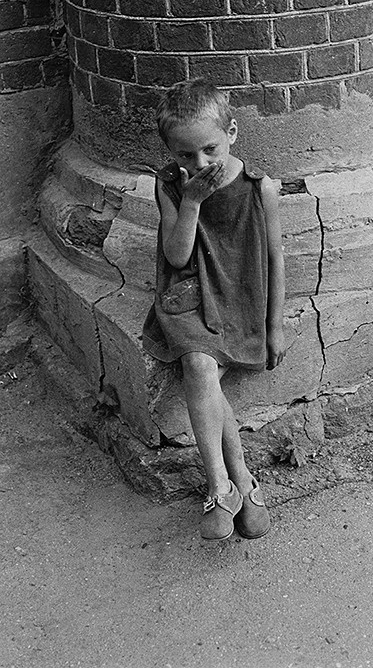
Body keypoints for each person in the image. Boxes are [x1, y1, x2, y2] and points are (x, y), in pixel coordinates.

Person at [143, 78, 286, 542]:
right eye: (185, 155)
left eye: (210, 149)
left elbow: (275, 258)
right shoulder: (170, 186)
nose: (200, 164)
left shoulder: (259, 188)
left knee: (203, 374)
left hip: (239, 293)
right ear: (170, 152)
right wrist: (191, 201)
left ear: (232, 133)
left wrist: (275, 326)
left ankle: (238, 480)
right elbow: (177, 255)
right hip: (190, 292)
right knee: (199, 365)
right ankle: (225, 482)